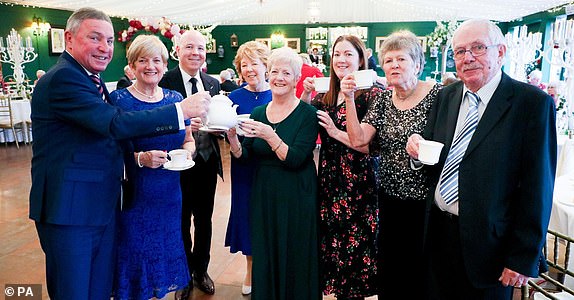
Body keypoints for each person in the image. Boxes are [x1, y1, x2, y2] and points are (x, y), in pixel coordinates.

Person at [29, 7, 209, 300]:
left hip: (101, 204)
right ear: (69, 38)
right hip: (71, 209)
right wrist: (181, 111)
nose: (104, 47)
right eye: (95, 38)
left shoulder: (90, 79)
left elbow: (108, 140)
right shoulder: (64, 78)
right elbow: (114, 124)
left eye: (110, 41)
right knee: (74, 291)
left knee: (98, 290)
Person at [405, 19, 556, 300]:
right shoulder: (447, 96)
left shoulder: (531, 104)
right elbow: (433, 155)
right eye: (460, 51)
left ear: (500, 52)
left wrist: (522, 256)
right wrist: (416, 153)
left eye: (478, 48)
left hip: (491, 248)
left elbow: (538, 188)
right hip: (438, 236)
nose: (468, 58)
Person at [342, 30, 441, 299]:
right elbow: (359, 139)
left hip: (427, 203)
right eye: (388, 60)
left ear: (418, 64)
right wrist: (349, 100)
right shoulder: (384, 99)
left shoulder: (438, 96)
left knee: (421, 269)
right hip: (389, 197)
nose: (394, 65)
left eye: (402, 59)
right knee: (392, 266)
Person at [227, 46, 320, 300]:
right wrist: (233, 139)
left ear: (296, 79)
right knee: (266, 250)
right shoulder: (258, 113)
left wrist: (270, 135)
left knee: (295, 252)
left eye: (286, 73)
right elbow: (246, 156)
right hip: (264, 194)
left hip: (296, 195)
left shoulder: (308, 115)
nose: (279, 77)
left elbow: (295, 158)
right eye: (274, 71)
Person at [110, 34, 195, 300]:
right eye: (142, 60)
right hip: (135, 194)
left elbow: (189, 139)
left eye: (156, 60)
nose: (150, 66)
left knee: (165, 252)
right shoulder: (118, 101)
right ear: (132, 66)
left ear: (164, 64)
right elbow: (109, 151)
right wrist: (140, 158)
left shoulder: (175, 99)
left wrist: (185, 154)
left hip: (169, 194)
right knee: (134, 253)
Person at [301, 34, 379, 299]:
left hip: (359, 182)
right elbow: (299, 120)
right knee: (334, 244)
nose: (341, 60)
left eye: (348, 54)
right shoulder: (327, 94)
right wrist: (307, 92)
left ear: (360, 58)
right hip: (331, 178)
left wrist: (334, 132)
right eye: (337, 54)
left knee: (355, 248)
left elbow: (368, 146)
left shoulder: (373, 93)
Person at [158, 29, 221, 297]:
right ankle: (183, 275)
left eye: (201, 48)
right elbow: (159, 120)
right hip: (177, 162)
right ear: (178, 51)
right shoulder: (165, 81)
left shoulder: (212, 82)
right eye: (190, 47)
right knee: (181, 220)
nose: (196, 53)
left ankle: (201, 270)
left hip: (207, 161)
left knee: (205, 220)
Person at [224, 40, 272, 296]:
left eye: (255, 63)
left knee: (269, 215)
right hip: (243, 166)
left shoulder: (277, 93)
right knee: (247, 215)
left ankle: (271, 267)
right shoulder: (234, 97)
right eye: (244, 64)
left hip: (271, 165)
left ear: (266, 65)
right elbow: (225, 130)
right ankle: (251, 268)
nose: (250, 69)